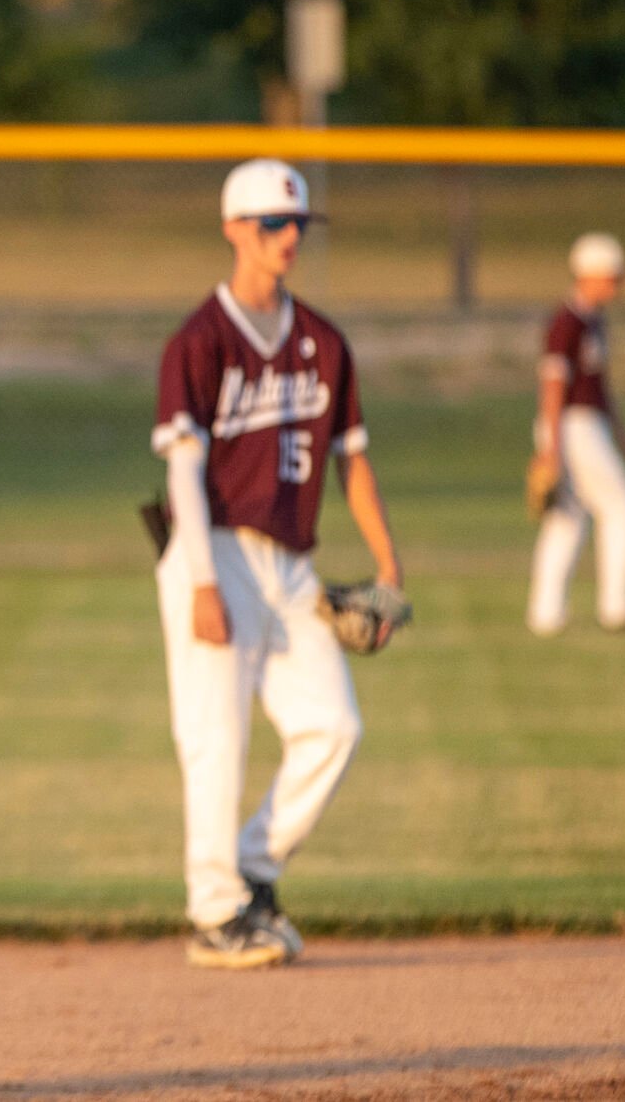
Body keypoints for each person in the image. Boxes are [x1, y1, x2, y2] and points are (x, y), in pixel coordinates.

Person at [151, 159, 402, 969]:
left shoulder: (323, 342)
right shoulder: (200, 339)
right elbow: (183, 471)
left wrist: (388, 570)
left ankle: (253, 872)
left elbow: (352, 463)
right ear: (233, 229)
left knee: (332, 726)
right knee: (213, 735)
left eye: (296, 225)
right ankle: (214, 914)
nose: (287, 237)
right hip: (212, 547)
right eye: (270, 225)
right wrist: (197, 579)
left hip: (292, 564)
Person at [527, 233, 625, 636]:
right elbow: (554, 385)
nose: (617, 284)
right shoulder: (566, 322)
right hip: (572, 425)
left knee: (568, 519)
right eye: (611, 276)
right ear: (589, 275)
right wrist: (551, 447)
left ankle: (545, 614)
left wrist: (622, 433)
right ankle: (615, 606)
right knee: (622, 507)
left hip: (587, 424)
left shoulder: (593, 320)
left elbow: (600, 385)